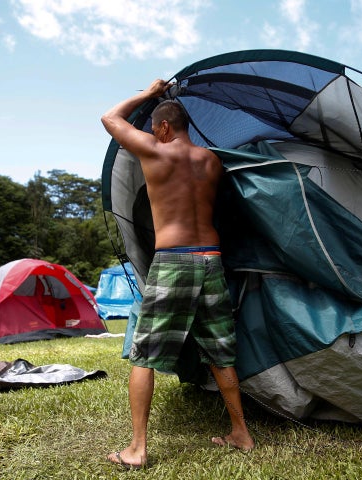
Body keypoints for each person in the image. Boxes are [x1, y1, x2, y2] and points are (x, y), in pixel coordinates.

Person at [101, 79, 255, 469]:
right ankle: (241, 433)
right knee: (221, 351)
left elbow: (109, 117)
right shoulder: (212, 161)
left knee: (145, 354)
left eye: (154, 127)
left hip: (174, 259)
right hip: (211, 258)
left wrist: (149, 94)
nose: (152, 133)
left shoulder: (156, 152)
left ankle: (136, 449)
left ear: (165, 127)